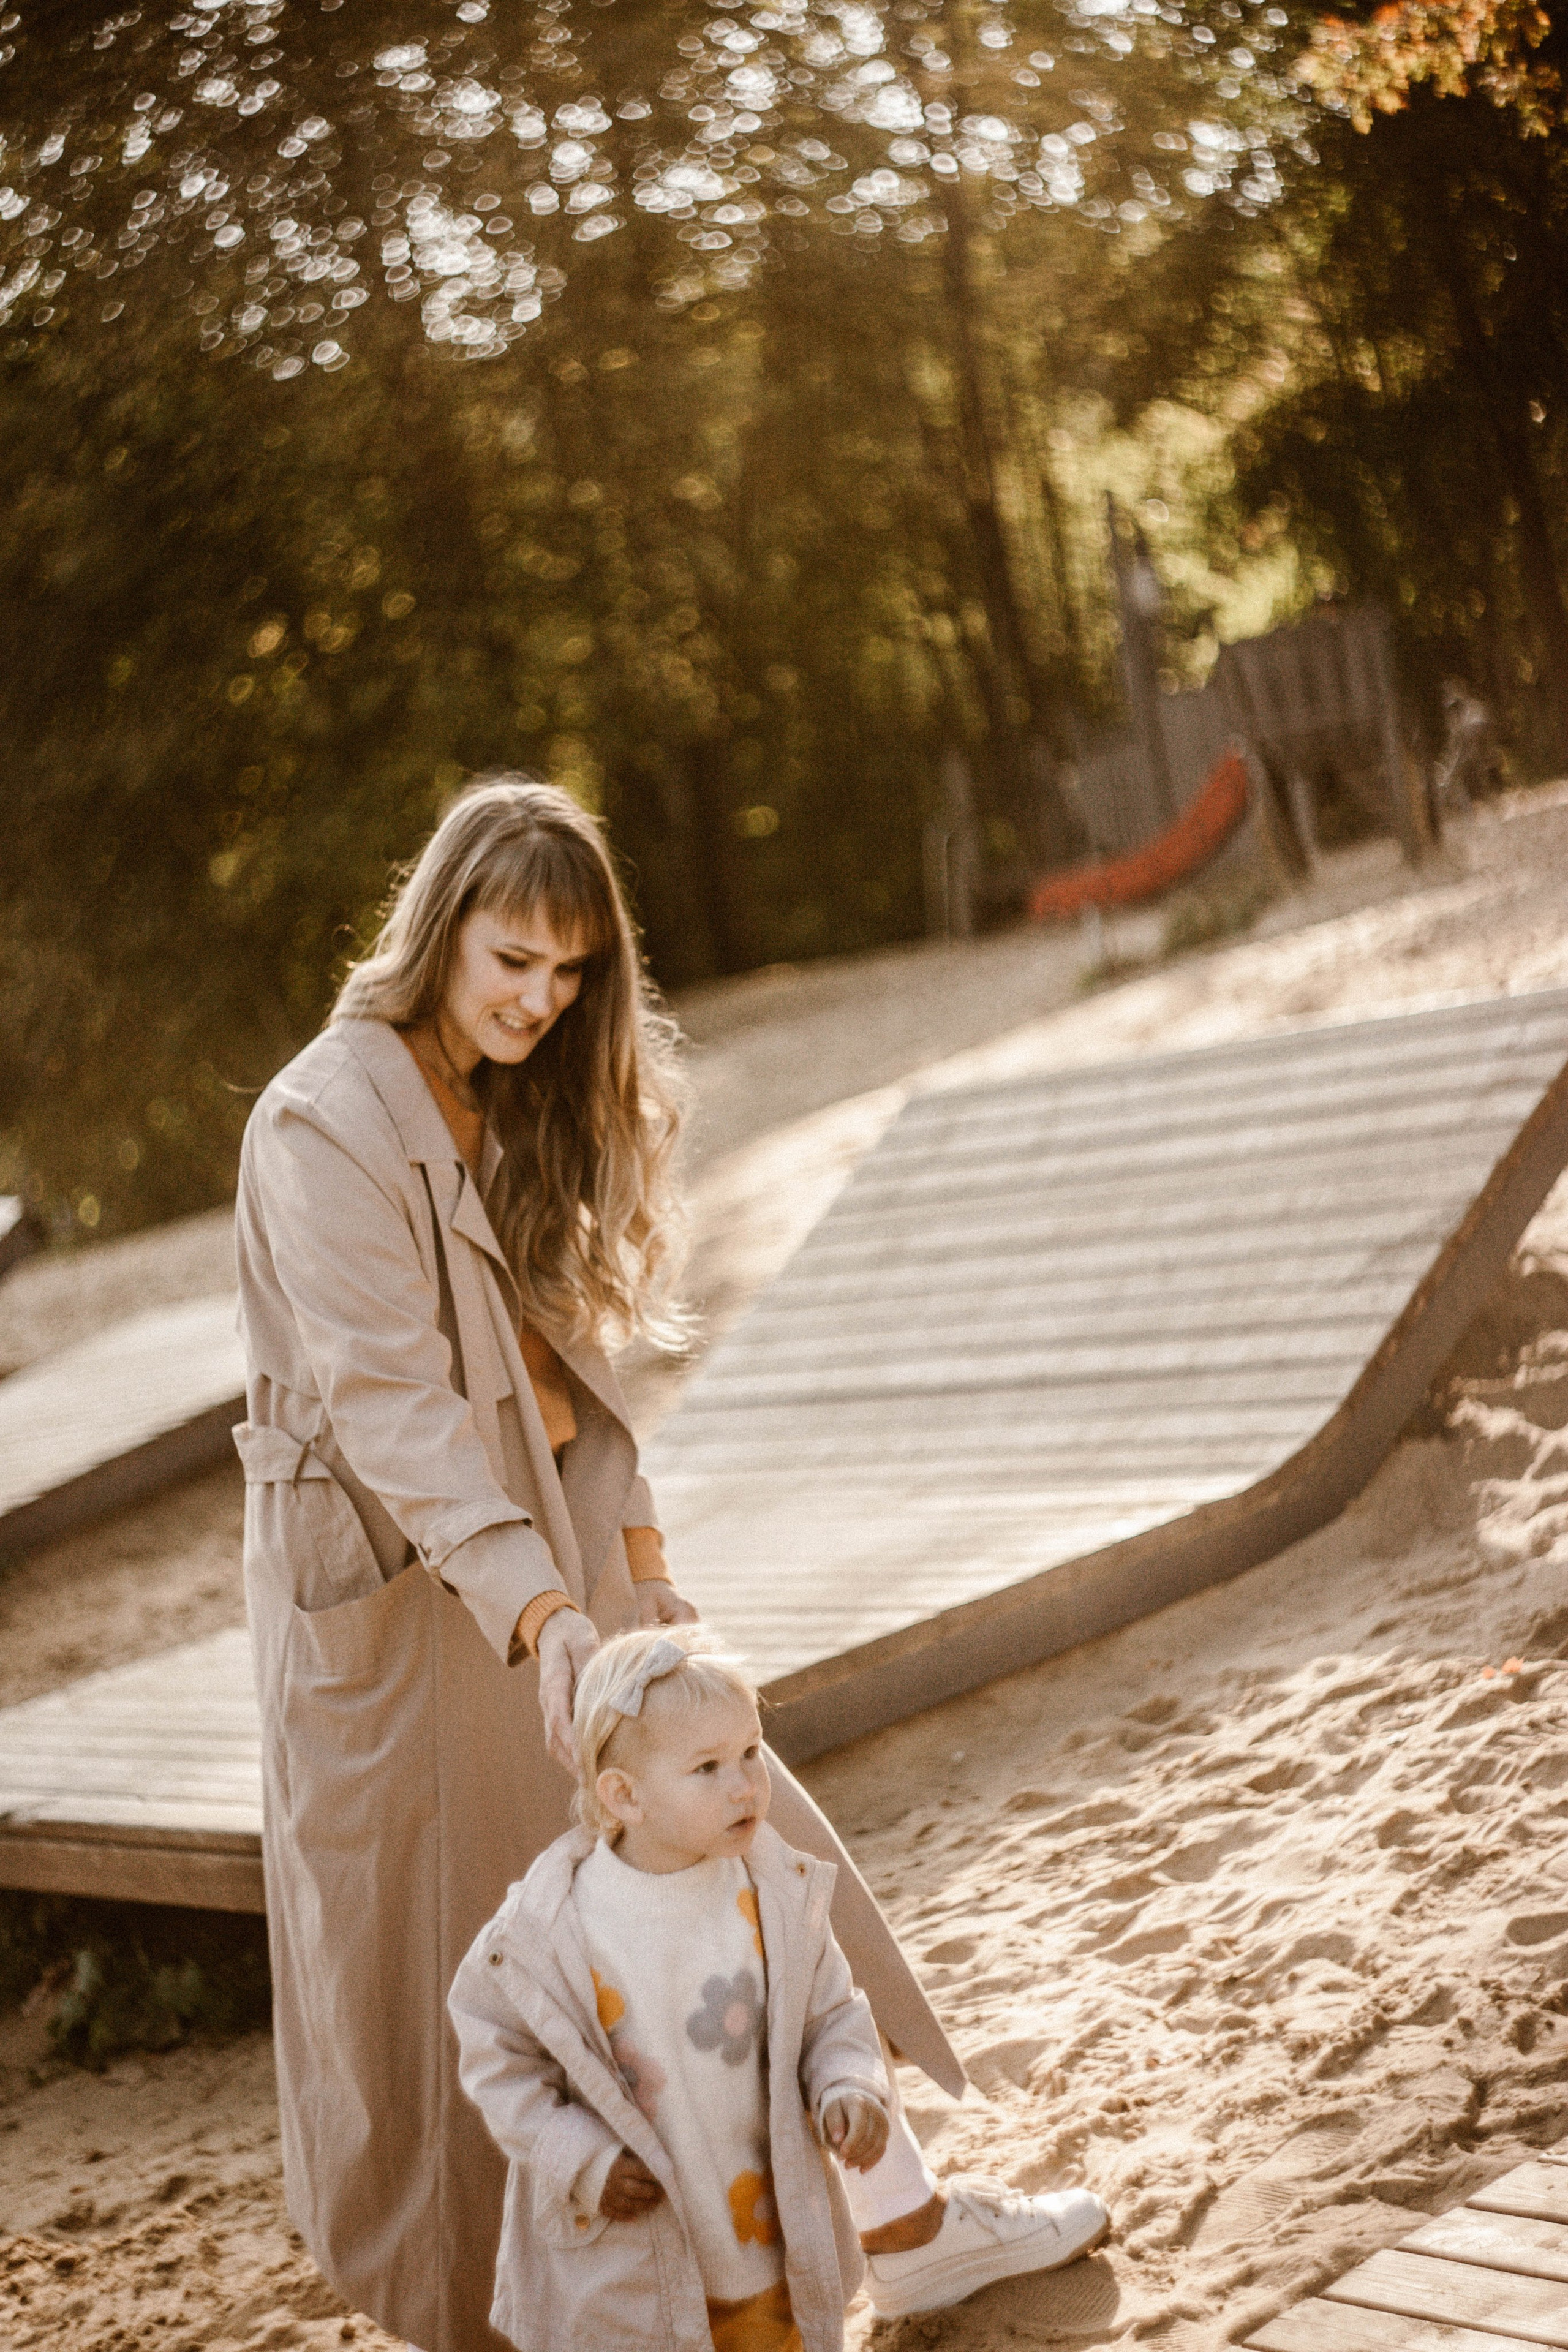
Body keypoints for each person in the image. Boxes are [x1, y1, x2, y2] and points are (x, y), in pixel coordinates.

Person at [233, 777, 1107, 2352]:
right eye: (509, 960)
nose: (534, 1002)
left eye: (566, 976)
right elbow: (394, 1410)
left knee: (743, 1845)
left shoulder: (514, 1096)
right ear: (438, 928)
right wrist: (547, 1609)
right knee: (482, 1972)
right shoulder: (317, 1122)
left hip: (550, 1570)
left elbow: (567, 1385)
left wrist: (631, 1574)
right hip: (404, 1608)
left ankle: (903, 2224)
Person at [450, 1627, 1109, 2352]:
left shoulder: (772, 1892)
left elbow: (832, 2012)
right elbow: (497, 2056)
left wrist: (847, 2085)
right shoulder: (550, 1929)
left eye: (751, 1753)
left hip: (769, 2239)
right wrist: (576, 2157)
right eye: (706, 1767)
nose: (746, 1785)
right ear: (624, 1796)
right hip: (632, 2258)